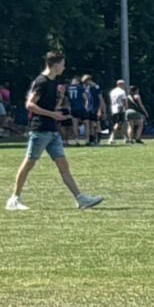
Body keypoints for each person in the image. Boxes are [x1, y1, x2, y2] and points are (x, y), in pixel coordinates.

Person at [7, 51, 105, 211]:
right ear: (55, 65)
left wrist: (59, 101)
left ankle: (80, 199)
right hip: (40, 130)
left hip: (52, 130)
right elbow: (30, 105)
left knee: (63, 165)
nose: (64, 67)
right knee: (28, 163)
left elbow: (47, 105)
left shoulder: (54, 83)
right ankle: (14, 199)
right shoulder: (41, 81)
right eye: (63, 64)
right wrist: (53, 114)